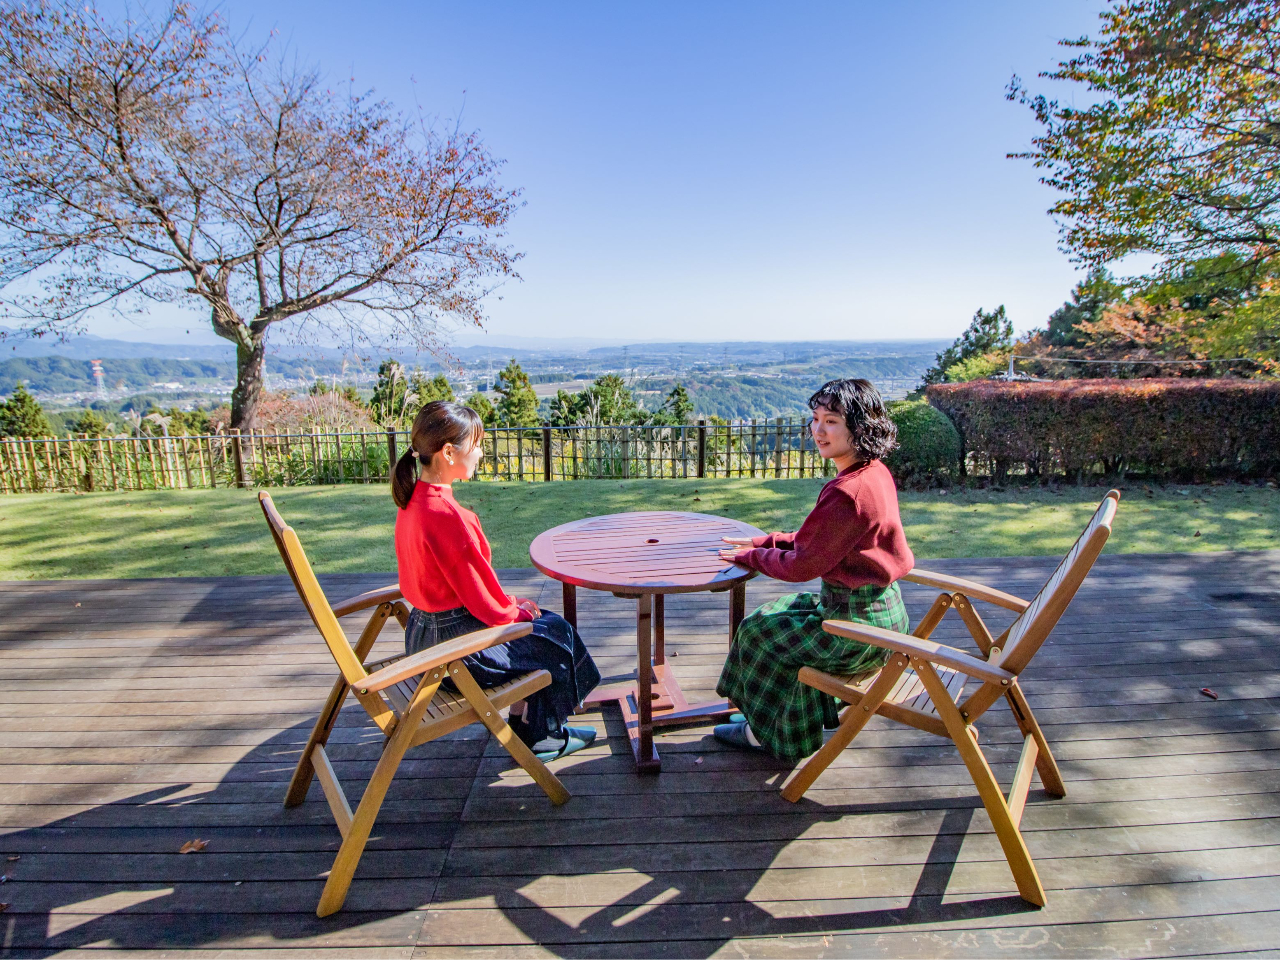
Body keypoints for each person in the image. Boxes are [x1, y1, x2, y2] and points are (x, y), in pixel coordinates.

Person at [713, 378, 914, 760]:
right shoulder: (873, 473)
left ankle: (778, 735)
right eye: (815, 418)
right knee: (773, 615)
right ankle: (794, 718)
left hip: (856, 635)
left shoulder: (847, 493)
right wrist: (762, 542)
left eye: (832, 421)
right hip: (885, 618)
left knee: (758, 634)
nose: (818, 430)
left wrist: (750, 558)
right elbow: (816, 540)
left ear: (860, 427)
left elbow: (802, 565)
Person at [392, 400, 601, 761]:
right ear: (448, 453)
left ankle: (525, 722)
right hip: (454, 655)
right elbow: (485, 605)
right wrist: (515, 612)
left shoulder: (412, 502)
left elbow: (466, 588)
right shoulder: (448, 516)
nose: (481, 452)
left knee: (543, 626)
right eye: (475, 445)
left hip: (421, 638)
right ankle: (542, 736)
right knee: (555, 635)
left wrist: (513, 606)